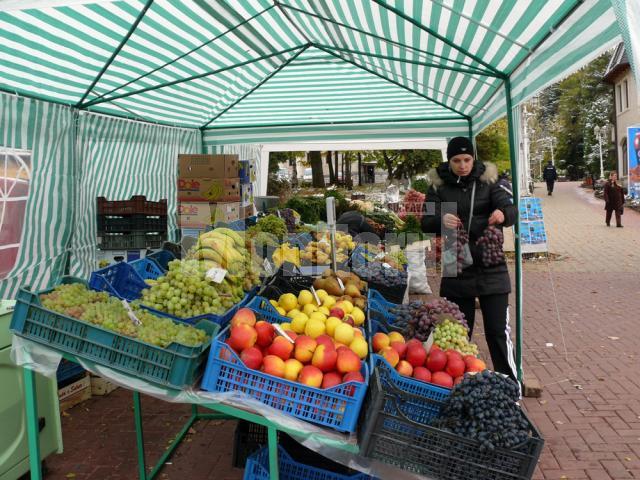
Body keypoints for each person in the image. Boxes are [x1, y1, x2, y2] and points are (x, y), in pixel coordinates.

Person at [421, 137, 519, 384]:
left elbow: (511, 209)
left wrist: (503, 213)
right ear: (449, 160)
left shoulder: (490, 180)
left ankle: (509, 385)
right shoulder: (438, 186)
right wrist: (442, 218)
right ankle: (460, 384)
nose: (462, 165)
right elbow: (425, 221)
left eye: (466, 160)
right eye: (456, 160)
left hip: (491, 263)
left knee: (497, 332)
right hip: (457, 265)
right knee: (457, 334)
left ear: (473, 159)